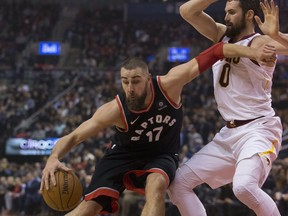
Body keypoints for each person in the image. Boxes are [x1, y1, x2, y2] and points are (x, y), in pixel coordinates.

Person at [40, 41, 275, 216]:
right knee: (87, 209)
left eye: (135, 81)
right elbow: (74, 136)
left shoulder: (169, 85)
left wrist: (253, 52)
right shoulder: (115, 109)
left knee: (157, 185)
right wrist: (53, 158)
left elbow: (216, 51)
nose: (130, 88)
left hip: (160, 155)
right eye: (125, 81)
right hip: (122, 155)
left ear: (148, 78)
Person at [168, 0, 288, 215]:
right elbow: (187, 11)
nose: (226, 17)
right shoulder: (221, 35)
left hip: (258, 130)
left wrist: (277, 36)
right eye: (226, 12)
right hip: (228, 134)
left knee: (243, 187)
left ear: (249, 14)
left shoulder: (259, 42)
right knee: (178, 184)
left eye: (232, 12)